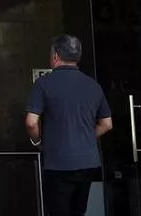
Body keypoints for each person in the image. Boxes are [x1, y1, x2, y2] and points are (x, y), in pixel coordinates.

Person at [25, 34, 114, 216]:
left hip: (58, 163)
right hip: (87, 162)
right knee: (78, 211)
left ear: (55, 56)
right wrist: (86, 137)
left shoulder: (43, 84)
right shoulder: (93, 86)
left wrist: (38, 142)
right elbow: (107, 124)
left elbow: (31, 122)